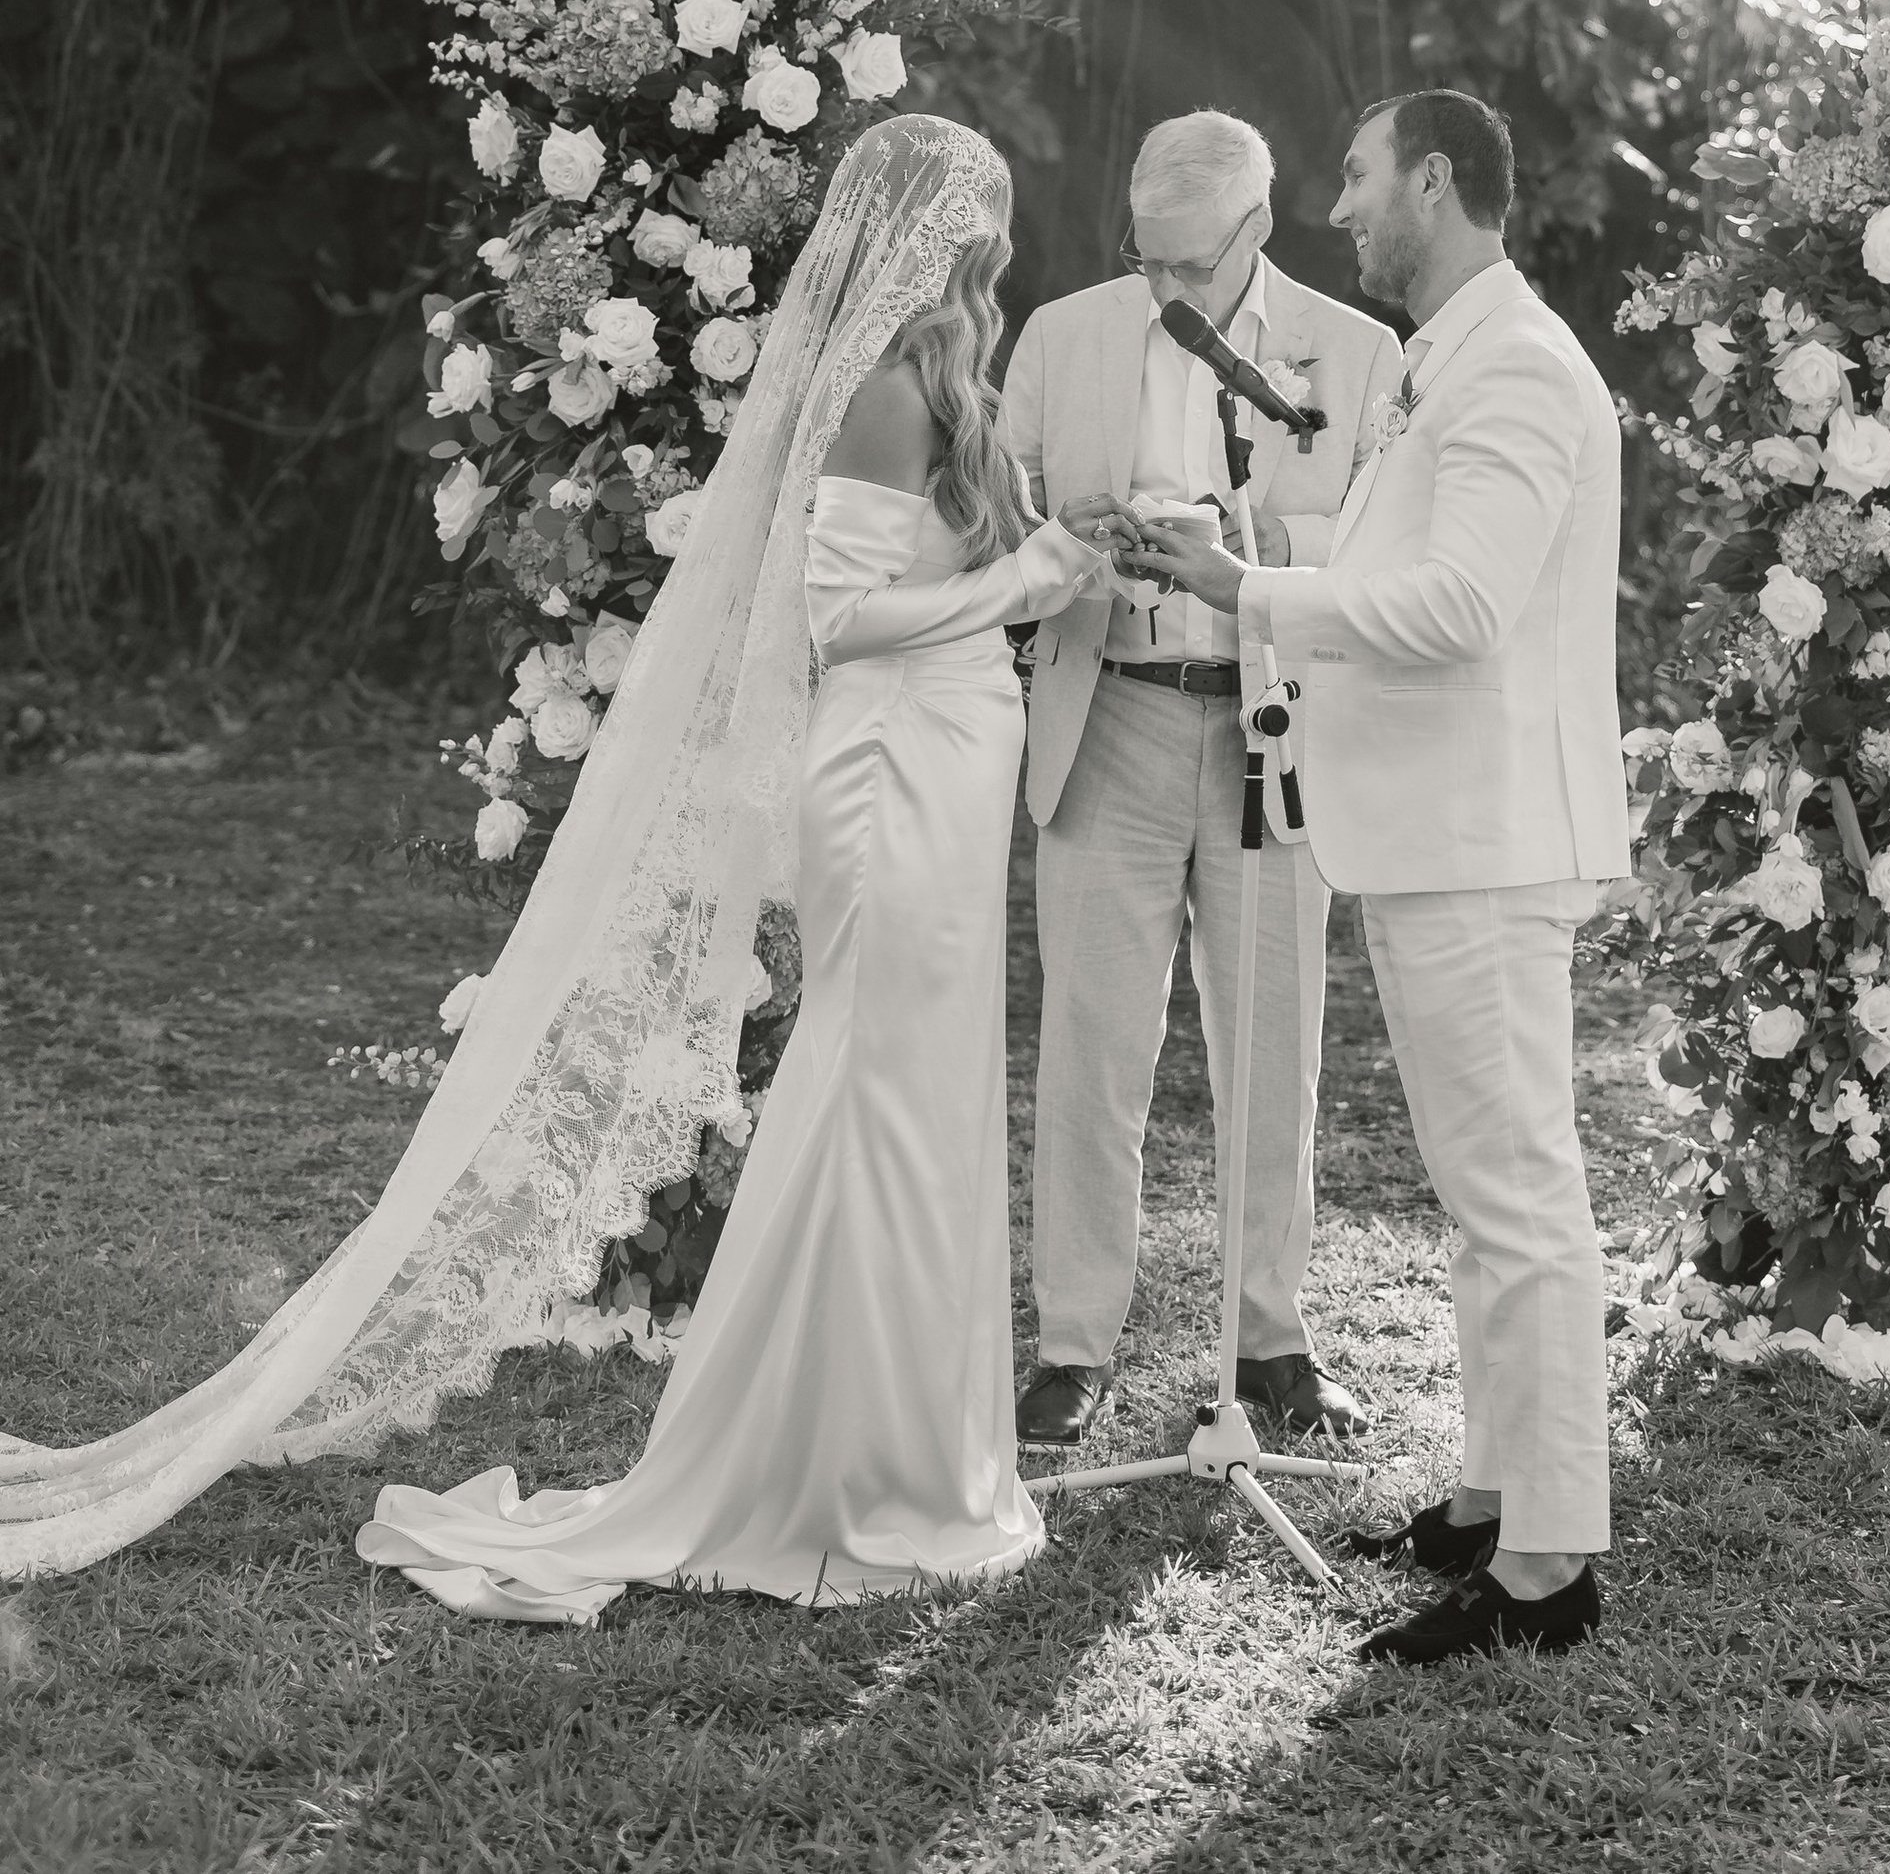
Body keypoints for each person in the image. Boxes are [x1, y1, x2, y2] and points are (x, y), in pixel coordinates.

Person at [0, 117, 1107, 1610]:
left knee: (928, 1100)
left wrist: (1062, 552)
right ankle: (827, 1461)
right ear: (937, 235)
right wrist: (1027, 583)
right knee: (876, 1101)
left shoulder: (943, 381)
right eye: (986, 221)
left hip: (954, 772)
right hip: (894, 776)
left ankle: (906, 1444)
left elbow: (940, 583)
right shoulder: (885, 391)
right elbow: (836, 625)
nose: (1001, 246)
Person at [1127, 89, 1628, 1669]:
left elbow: (1465, 606)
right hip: (1432, 832)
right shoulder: (1446, 360)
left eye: (1353, 177)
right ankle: (1493, 1496)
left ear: (1434, 178)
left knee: (1520, 1200)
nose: (1335, 209)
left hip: (1485, 841)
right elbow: (1404, 559)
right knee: (1484, 1203)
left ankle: (1549, 1569)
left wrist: (1247, 586)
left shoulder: (1523, 368)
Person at [999, 108, 1402, 1449]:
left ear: (1256, 229)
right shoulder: (1062, 335)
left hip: (1267, 723)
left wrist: (1254, 538)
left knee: (1273, 1043)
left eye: (1190, 264)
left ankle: (1272, 1336)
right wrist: (1073, 540)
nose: (1165, 287)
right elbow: (1001, 503)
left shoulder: (1356, 352)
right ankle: (1072, 1344)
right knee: (1093, 1047)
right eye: (1147, 259)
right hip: (1109, 709)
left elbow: (1388, 543)